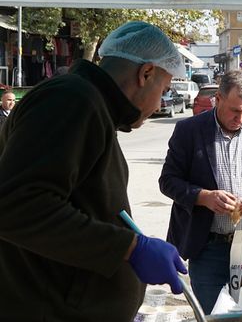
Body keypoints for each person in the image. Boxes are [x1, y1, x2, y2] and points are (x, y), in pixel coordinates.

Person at [0, 21, 188, 321]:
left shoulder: (91, 104)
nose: (160, 103)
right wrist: (130, 247)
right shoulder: (72, 99)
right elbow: (17, 205)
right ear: (146, 73)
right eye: (164, 89)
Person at [159, 69, 242, 314]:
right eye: (235, 111)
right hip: (208, 246)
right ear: (218, 100)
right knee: (212, 314)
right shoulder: (189, 131)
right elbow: (168, 181)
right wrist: (203, 197)